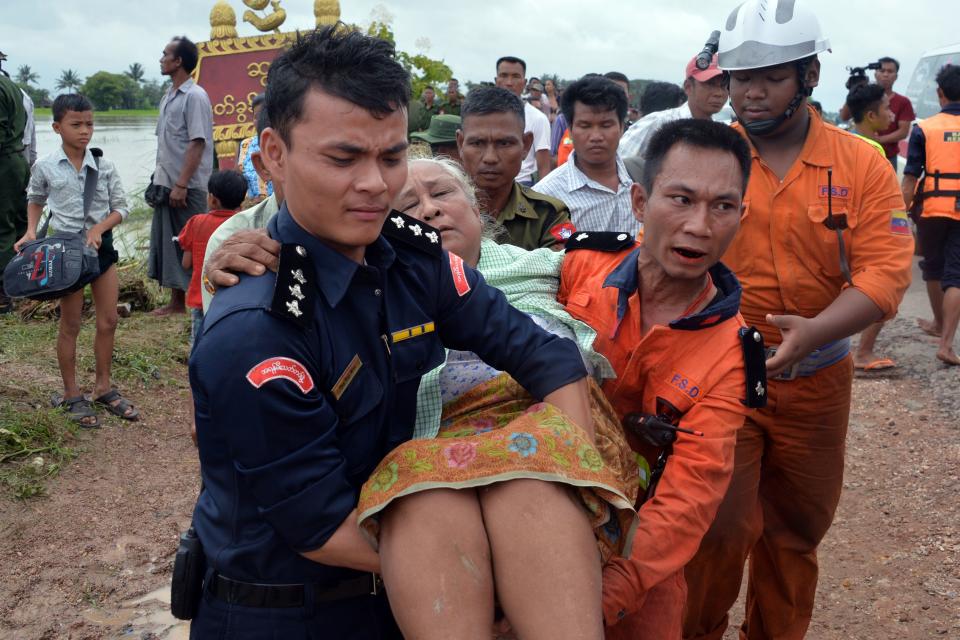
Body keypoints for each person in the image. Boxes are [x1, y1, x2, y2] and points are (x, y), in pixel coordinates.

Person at [188, 26, 595, 638]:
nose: (377, 185)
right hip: (287, 611)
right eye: (344, 158)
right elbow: (319, 527)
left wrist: (570, 479)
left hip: (400, 596)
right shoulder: (257, 326)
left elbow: (549, 359)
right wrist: (501, 567)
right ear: (273, 154)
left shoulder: (411, 260)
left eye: (392, 155)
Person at [683, 3, 914, 639]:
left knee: (795, 535)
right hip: (723, 376)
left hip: (817, 380)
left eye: (771, 76)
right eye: (738, 77)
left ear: (809, 76)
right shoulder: (708, 157)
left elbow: (886, 271)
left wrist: (817, 330)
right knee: (716, 533)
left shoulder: (862, 162)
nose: (751, 92)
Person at [359, 157, 638, 639]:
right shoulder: (374, 288)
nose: (429, 211)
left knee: (529, 487)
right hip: (441, 446)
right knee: (423, 494)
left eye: (443, 194)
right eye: (407, 204)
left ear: (476, 209)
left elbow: (647, 269)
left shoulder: (553, 266)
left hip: (558, 422)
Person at [560, 118, 762, 639]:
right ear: (641, 202)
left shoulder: (732, 355)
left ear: (742, 215)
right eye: (681, 199)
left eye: (722, 206)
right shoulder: (578, 266)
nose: (699, 225)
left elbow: (689, 495)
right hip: (540, 502)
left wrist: (607, 593)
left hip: (636, 549)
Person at [15, 94, 137, 426]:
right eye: (76, 124)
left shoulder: (105, 165)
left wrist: (99, 228)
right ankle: (71, 394)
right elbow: (35, 198)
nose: (85, 131)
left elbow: (121, 208)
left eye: (89, 124)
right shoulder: (45, 166)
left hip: (101, 250)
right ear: (57, 127)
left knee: (108, 321)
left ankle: (103, 387)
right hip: (66, 253)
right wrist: (30, 231)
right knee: (70, 324)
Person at [456, 85, 574, 249]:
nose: (490, 158)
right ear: (460, 144)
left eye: (504, 143)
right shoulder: (436, 211)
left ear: (526, 145)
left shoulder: (548, 215)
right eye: (477, 143)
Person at [148, 35, 213, 317]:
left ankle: (203, 302)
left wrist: (182, 184)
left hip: (187, 185)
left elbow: (197, 142)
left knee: (194, 242)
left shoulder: (195, 96)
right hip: (167, 183)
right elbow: (166, 143)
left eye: (165, 55)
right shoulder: (168, 97)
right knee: (171, 240)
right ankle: (177, 302)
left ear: (179, 62)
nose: (161, 59)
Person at [902, 64, 960, 365]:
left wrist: (901, 212)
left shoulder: (924, 128)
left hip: (932, 207)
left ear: (940, 94)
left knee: (934, 266)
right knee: (957, 274)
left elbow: (911, 175)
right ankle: (946, 342)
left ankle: (939, 324)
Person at [200, 103, 281, 311]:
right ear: (266, 163)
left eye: (379, 158)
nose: (373, 184)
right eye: (341, 159)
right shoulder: (228, 240)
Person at [533, 75, 638, 235]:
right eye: (585, 126)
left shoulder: (643, 180)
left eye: (606, 125)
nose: (596, 136)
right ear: (570, 129)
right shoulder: (545, 197)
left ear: (622, 127)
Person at [846, 84, 899, 371]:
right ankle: (863, 352)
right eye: (886, 109)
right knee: (883, 290)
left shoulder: (840, 142)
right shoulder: (873, 149)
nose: (891, 115)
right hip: (865, 234)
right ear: (870, 115)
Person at [177, 169, 247, 342]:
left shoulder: (196, 223)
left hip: (202, 296)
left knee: (200, 343)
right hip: (236, 300)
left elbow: (186, 263)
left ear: (213, 199)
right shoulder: (245, 224)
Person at [619, 54, 728, 159]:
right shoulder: (658, 122)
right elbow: (618, 164)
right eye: (710, 84)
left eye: (724, 86)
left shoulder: (721, 133)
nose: (719, 93)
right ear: (688, 87)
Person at [0, 51, 29, 314]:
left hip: (4, 162)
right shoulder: (13, 87)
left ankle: (4, 292)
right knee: (19, 223)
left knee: (2, 227)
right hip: (16, 160)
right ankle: (23, 284)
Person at [495, 56, 551, 184]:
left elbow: (544, 167)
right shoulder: (482, 116)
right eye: (503, 75)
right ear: (496, 80)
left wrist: (542, 201)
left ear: (524, 83)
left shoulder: (538, 118)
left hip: (523, 185)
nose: (509, 82)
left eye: (515, 76)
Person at [873, 56, 916, 171]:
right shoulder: (864, 97)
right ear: (875, 73)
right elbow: (845, 116)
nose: (886, 74)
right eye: (882, 71)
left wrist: (879, 140)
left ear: (896, 76)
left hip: (889, 157)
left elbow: (903, 132)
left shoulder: (903, 102)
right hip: (862, 153)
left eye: (890, 71)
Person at [235, 94, 273, 206]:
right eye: (256, 117)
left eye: (264, 116)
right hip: (251, 209)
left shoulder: (285, 142)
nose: (259, 121)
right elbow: (238, 180)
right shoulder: (245, 145)